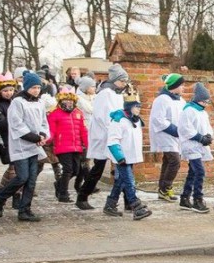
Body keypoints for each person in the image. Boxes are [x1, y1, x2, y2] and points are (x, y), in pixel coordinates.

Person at [0, 71, 49, 222]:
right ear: (27, 87)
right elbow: (17, 125)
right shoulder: (18, 102)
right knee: (22, 176)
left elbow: (43, 122)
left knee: (31, 180)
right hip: (21, 145)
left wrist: (42, 135)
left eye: (38, 87)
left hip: (35, 145)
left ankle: (25, 209)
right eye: (33, 87)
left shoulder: (40, 102)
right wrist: (35, 138)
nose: (36, 90)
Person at [77, 63, 129, 210]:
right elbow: (103, 116)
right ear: (115, 80)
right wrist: (114, 131)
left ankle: (129, 200)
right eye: (122, 80)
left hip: (113, 134)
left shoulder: (115, 94)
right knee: (99, 168)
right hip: (104, 135)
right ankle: (82, 196)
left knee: (122, 167)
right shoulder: (105, 94)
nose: (124, 84)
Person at [103, 85, 152, 220]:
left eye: (139, 106)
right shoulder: (119, 120)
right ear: (129, 107)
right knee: (129, 181)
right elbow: (113, 140)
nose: (139, 109)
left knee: (121, 181)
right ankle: (136, 206)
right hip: (122, 158)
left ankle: (110, 204)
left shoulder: (135, 120)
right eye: (136, 106)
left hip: (129, 157)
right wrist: (119, 156)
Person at [47, 86, 88, 203]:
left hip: (76, 147)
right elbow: (51, 130)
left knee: (76, 170)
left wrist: (88, 144)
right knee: (68, 169)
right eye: (66, 100)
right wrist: (47, 139)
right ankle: (63, 194)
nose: (69, 102)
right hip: (62, 146)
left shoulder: (78, 113)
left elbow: (83, 131)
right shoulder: (55, 114)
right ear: (60, 101)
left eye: (71, 100)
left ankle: (59, 184)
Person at [178, 82, 214, 214]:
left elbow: (207, 127)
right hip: (191, 146)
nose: (206, 103)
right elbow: (185, 129)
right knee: (200, 172)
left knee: (192, 172)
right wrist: (199, 138)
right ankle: (197, 199)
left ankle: (184, 197)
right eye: (205, 101)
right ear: (198, 99)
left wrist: (209, 136)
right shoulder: (188, 111)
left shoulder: (202, 112)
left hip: (199, 146)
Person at [149, 73, 186, 202]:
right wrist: (174, 130)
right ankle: (166, 187)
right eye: (181, 85)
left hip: (176, 136)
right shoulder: (162, 99)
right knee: (175, 161)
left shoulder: (181, 100)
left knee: (168, 161)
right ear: (174, 86)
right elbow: (158, 119)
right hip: (165, 134)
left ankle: (162, 190)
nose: (183, 88)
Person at [0, 72, 17, 195]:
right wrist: (15, 119)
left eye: (11, 90)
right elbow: (1, 124)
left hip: (18, 140)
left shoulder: (16, 102)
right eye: (6, 91)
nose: (9, 93)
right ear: (0, 92)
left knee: (15, 170)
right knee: (14, 170)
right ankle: (5, 195)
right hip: (6, 141)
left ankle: (0, 193)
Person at [74, 76, 97, 193]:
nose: (94, 88)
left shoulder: (93, 97)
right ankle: (84, 184)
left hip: (92, 130)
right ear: (86, 88)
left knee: (87, 159)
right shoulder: (79, 99)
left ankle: (84, 184)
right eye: (92, 86)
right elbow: (91, 109)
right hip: (82, 131)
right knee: (84, 159)